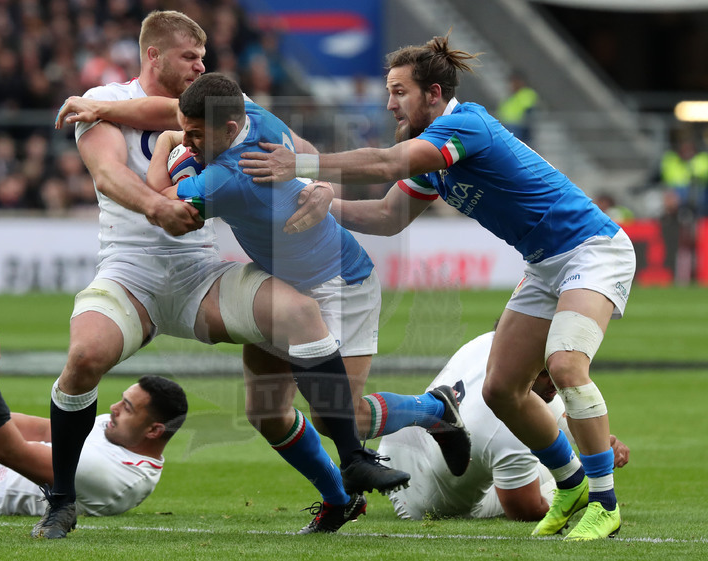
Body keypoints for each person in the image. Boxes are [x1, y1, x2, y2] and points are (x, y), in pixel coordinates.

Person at [239, 32, 637, 541]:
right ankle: (571, 483)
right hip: (545, 265)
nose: (389, 103)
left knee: (564, 366)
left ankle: (605, 503)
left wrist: (303, 165)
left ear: (432, 93)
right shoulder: (438, 158)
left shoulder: (464, 125)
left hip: (592, 249)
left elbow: (389, 162)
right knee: (500, 390)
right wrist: (321, 205)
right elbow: (386, 216)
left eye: (399, 91)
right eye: (389, 91)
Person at [44, 10, 410, 538]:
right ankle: (60, 502)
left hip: (200, 273)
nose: (201, 65)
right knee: (84, 358)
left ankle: (346, 472)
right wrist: (155, 206)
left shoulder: (215, 107)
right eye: (190, 56)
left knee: (298, 318)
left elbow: (303, 154)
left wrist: (326, 188)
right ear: (154, 55)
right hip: (131, 272)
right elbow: (107, 174)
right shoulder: (103, 103)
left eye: (203, 57)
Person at [150, 71, 471, 531]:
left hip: (343, 286)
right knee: (266, 413)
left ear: (226, 128)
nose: (190, 141)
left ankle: (437, 410)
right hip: (283, 287)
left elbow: (160, 203)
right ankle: (339, 499)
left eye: (196, 134)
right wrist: (320, 185)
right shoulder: (255, 116)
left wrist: (166, 148)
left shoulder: (226, 179)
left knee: (341, 418)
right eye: (186, 131)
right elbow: (310, 151)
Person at [0, 334, 186, 518]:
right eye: (121, 400)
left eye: (127, 408)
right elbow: (46, 431)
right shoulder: (122, 433)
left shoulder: (111, 474)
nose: (114, 408)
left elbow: (11, 453)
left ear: (154, 431)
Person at [378, 329, 629, 522]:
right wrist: (593, 470)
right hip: (425, 501)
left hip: (397, 450)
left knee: (534, 414)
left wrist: (593, 443)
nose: (553, 380)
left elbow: (543, 404)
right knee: (563, 476)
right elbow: (526, 509)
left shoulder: (492, 342)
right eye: (544, 373)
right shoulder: (507, 429)